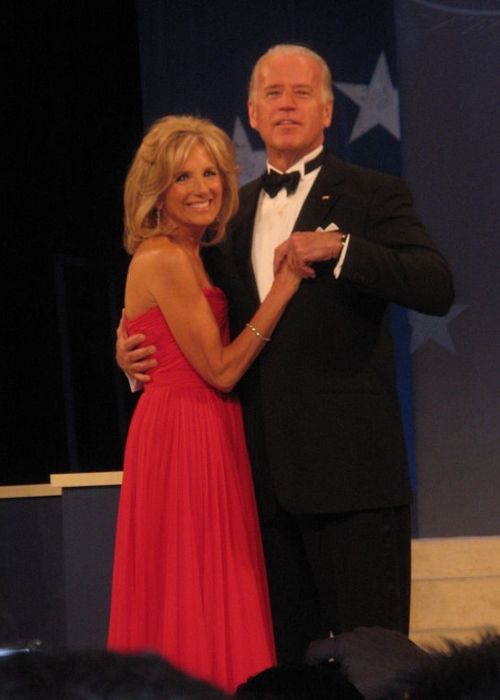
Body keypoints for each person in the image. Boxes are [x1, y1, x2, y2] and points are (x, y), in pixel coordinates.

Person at [117, 45, 455, 663]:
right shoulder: (225, 214)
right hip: (258, 488)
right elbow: (185, 308)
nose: (287, 104)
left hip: (353, 480)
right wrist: (127, 340)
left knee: (374, 666)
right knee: (281, 668)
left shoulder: (373, 193)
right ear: (251, 111)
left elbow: (435, 285)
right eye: (273, 93)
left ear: (329, 111)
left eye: (303, 93)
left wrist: (343, 250)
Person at [107, 114, 301, 693]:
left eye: (211, 172)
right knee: (190, 588)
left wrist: (122, 347)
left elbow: (144, 332)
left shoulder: (197, 253)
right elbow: (219, 369)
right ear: (157, 192)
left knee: (213, 586)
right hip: (183, 433)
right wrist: (284, 287)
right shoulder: (163, 257)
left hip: (209, 429)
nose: (202, 188)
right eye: (183, 177)